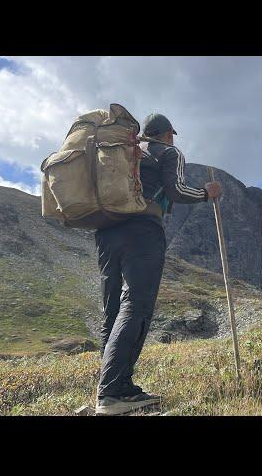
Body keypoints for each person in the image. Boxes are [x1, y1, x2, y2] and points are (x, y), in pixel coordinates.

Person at [94, 113, 223, 415]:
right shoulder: (170, 152)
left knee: (113, 307)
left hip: (105, 232)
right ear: (167, 134)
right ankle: (113, 393)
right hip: (142, 230)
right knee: (136, 305)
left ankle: (112, 387)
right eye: (172, 135)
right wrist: (207, 193)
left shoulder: (127, 153)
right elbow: (177, 190)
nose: (173, 139)